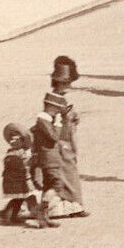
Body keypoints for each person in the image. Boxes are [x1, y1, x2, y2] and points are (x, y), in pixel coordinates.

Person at [31, 56, 86, 218]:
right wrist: (56, 136)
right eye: (67, 82)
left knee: (68, 171)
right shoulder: (54, 99)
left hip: (63, 139)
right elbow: (46, 119)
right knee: (65, 172)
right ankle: (63, 206)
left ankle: (70, 205)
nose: (69, 86)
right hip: (59, 142)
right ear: (60, 82)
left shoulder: (58, 98)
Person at [0, 123, 54, 228]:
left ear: (22, 141)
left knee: (18, 200)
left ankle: (7, 214)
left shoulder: (22, 153)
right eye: (12, 140)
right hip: (19, 182)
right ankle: (41, 219)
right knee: (30, 200)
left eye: (18, 139)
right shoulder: (13, 154)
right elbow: (19, 167)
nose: (15, 142)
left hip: (21, 181)